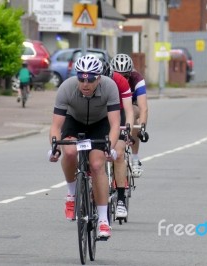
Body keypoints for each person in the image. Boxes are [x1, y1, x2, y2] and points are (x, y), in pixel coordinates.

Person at [48, 55, 120, 239]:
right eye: (81, 78)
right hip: (75, 121)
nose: (85, 83)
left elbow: (114, 125)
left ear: (99, 78)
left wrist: (109, 148)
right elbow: (56, 126)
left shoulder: (110, 87)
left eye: (90, 79)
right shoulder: (66, 88)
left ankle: (103, 220)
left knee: (97, 165)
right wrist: (55, 147)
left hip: (100, 123)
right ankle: (72, 194)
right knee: (70, 152)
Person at [101, 58, 134, 219]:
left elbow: (129, 110)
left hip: (116, 113)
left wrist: (127, 129)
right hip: (97, 115)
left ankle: (120, 200)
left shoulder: (120, 81)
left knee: (119, 153)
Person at [110, 54, 149, 178]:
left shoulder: (137, 79)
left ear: (130, 73)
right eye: (118, 75)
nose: (122, 78)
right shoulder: (109, 79)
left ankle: (135, 158)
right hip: (114, 105)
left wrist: (142, 129)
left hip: (131, 105)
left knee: (132, 117)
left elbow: (143, 107)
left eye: (126, 75)